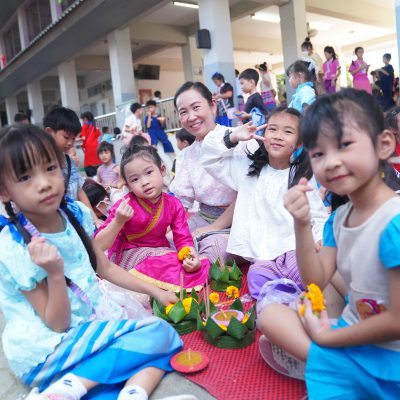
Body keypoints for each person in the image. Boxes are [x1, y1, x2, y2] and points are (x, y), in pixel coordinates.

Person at [0, 124, 189, 400]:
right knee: (159, 334)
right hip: (48, 349)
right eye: (26, 177)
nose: (44, 183)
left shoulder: (73, 214)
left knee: (158, 339)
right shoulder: (14, 245)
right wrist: (55, 273)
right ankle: (66, 388)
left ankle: (125, 393)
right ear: (4, 192)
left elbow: (105, 267)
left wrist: (157, 292)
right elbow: (57, 324)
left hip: (87, 324)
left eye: (50, 168)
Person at [259, 88, 400, 399]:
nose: (331, 162)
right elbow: (315, 280)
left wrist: (326, 337)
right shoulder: (339, 219)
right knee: (269, 314)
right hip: (353, 337)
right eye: (319, 153)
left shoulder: (394, 221)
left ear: (384, 145)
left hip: (391, 359)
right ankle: (327, 362)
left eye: (344, 145)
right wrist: (301, 224)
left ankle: (321, 360)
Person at [201, 107, 328, 299]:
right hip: (261, 254)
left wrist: (319, 239)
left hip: (293, 248)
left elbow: (316, 213)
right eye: (272, 129)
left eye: (288, 131)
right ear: (263, 133)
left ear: (299, 143)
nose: (278, 136)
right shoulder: (247, 168)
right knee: (256, 279)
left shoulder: (300, 175)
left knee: (304, 275)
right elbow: (209, 159)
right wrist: (233, 137)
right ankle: (281, 303)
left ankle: (297, 300)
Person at [94, 145, 210, 292]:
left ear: (162, 170)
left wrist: (189, 254)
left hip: (160, 252)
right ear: (128, 185)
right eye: (135, 179)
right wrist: (118, 221)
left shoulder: (174, 204)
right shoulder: (124, 206)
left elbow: (183, 238)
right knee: (169, 263)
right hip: (130, 254)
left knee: (197, 263)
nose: (144, 182)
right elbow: (98, 245)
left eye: (149, 172)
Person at [170, 81, 239, 263]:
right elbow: (181, 205)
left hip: (239, 221)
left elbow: (247, 194)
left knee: (212, 250)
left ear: (213, 106)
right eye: (183, 112)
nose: (191, 117)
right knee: (167, 243)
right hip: (203, 218)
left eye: (196, 107)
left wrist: (213, 227)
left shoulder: (236, 138)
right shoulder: (186, 154)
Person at [43, 107, 102, 227]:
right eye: (66, 137)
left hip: (73, 221)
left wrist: (95, 220)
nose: (70, 142)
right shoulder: (40, 163)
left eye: (74, 138)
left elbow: (80, 192)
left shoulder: (69, 161)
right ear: (49, 132)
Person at [80, 112, 101, 177]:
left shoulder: (84, 127)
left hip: (89, 148)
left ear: (85, 119)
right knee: (98, 164)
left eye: (83, 119)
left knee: (88, 166)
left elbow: (83, 138)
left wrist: (74, 139)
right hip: (97, 147)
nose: (83, 121)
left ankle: (93, 179)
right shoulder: (95, 127)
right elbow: (98, 136)